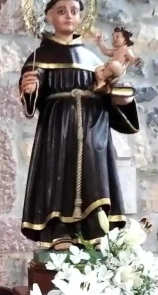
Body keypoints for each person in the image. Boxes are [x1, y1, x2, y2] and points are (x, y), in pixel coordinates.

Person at [19, 0, 140, 251]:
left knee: (94, 178)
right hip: (58, 128)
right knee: (58, 176)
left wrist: (122, 99)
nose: (68, 17)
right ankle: (60, 231)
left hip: (93, 128)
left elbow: (107, 92)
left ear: (81, 16)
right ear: (49, 16)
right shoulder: (40, 57)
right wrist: (30, 89)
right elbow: (33, 98)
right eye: (61, 11)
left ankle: (93, 231)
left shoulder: (92, 57)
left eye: (74, 11)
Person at [94, 27, 141, 92]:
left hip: (119, 69)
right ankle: (101, 83)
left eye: (117, 37)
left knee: (113, 64)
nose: (114, 39)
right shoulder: (115, 51)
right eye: (113, 37)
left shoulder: (126, 50)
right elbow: (105, 51)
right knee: (98, 68)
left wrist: (135, 61)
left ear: (125, 40)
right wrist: (100, 42)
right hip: (111, 68)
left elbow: (132, 58)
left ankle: (102, 77)